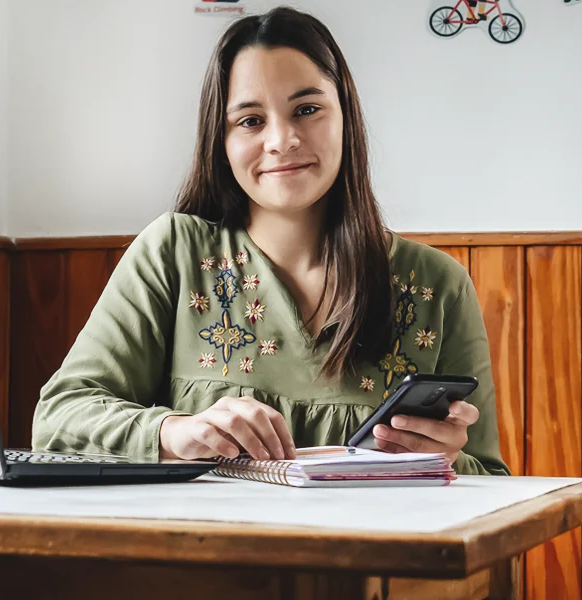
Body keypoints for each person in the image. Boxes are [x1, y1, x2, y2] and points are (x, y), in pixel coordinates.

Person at [30, 6, 509, 476]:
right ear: (221, 142)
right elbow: (58, 417)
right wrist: (173, 431)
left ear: (346, 118)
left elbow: (491, 482)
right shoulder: (173, 252)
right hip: (204, 552)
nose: (282, 140)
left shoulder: (436, 283)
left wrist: (445, 460)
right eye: (250, 121)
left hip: (382, 557)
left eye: (307, 110)